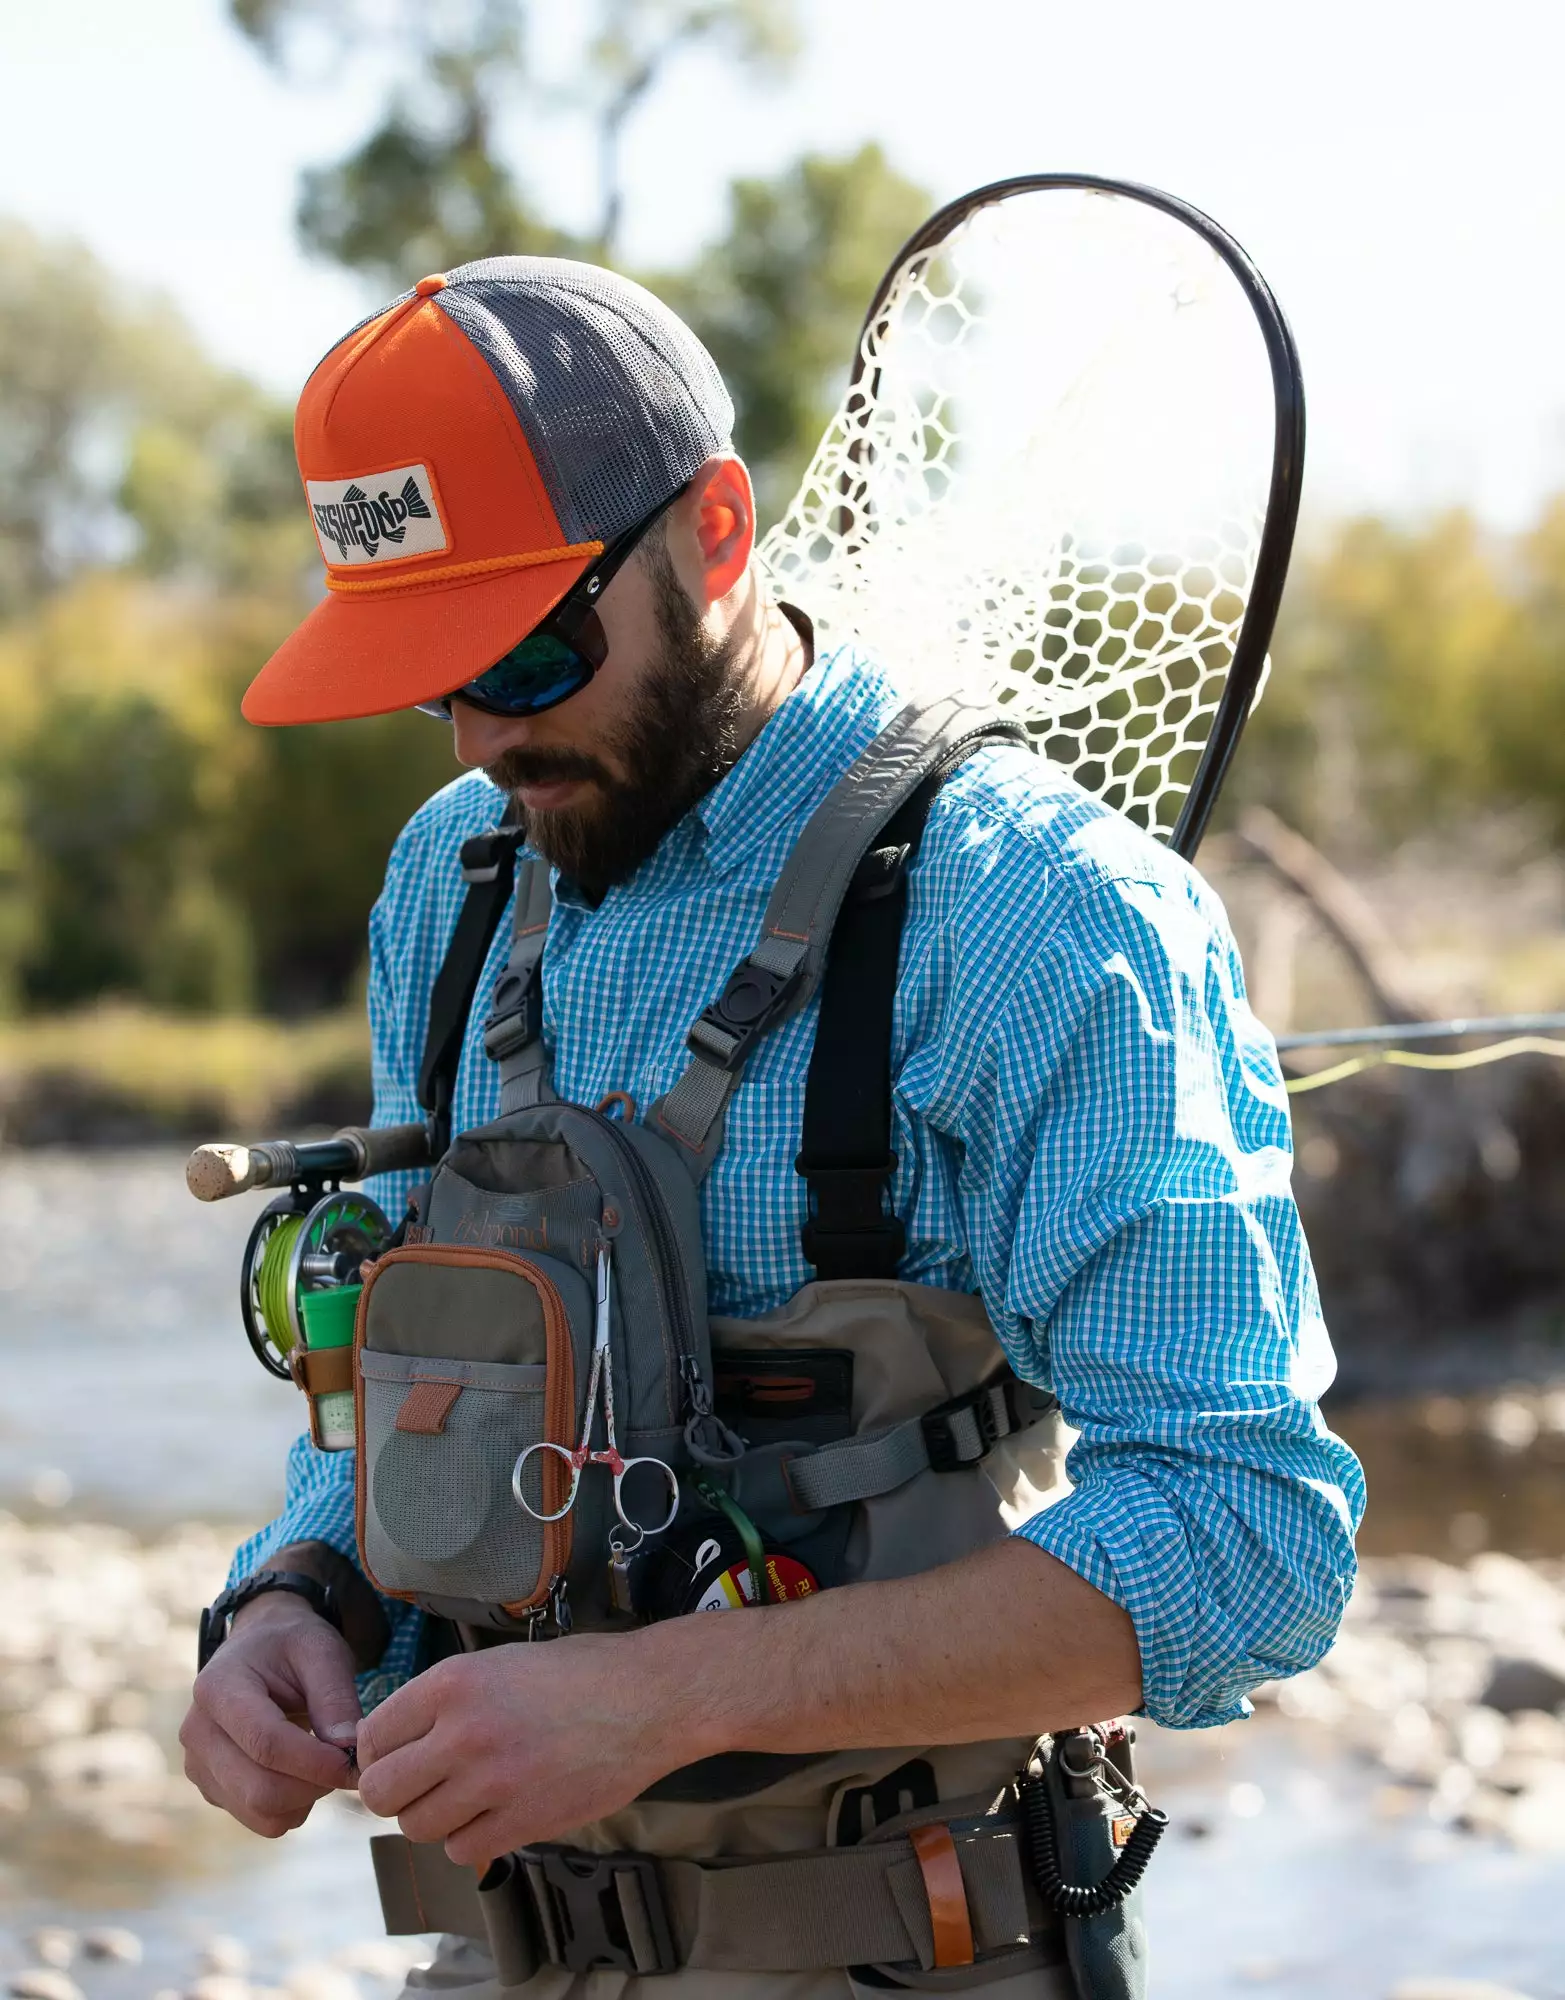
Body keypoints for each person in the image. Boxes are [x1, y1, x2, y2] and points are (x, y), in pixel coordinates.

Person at [180, 258, 1363, 1997]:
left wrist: (664, 1700)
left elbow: (1248, 1534)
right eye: (428, 672)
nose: (487, 733)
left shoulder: (1037, 917)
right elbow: (413, 1373)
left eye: (524, 649)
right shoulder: (446, 879)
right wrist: (299, 1600)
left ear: (717, 534)